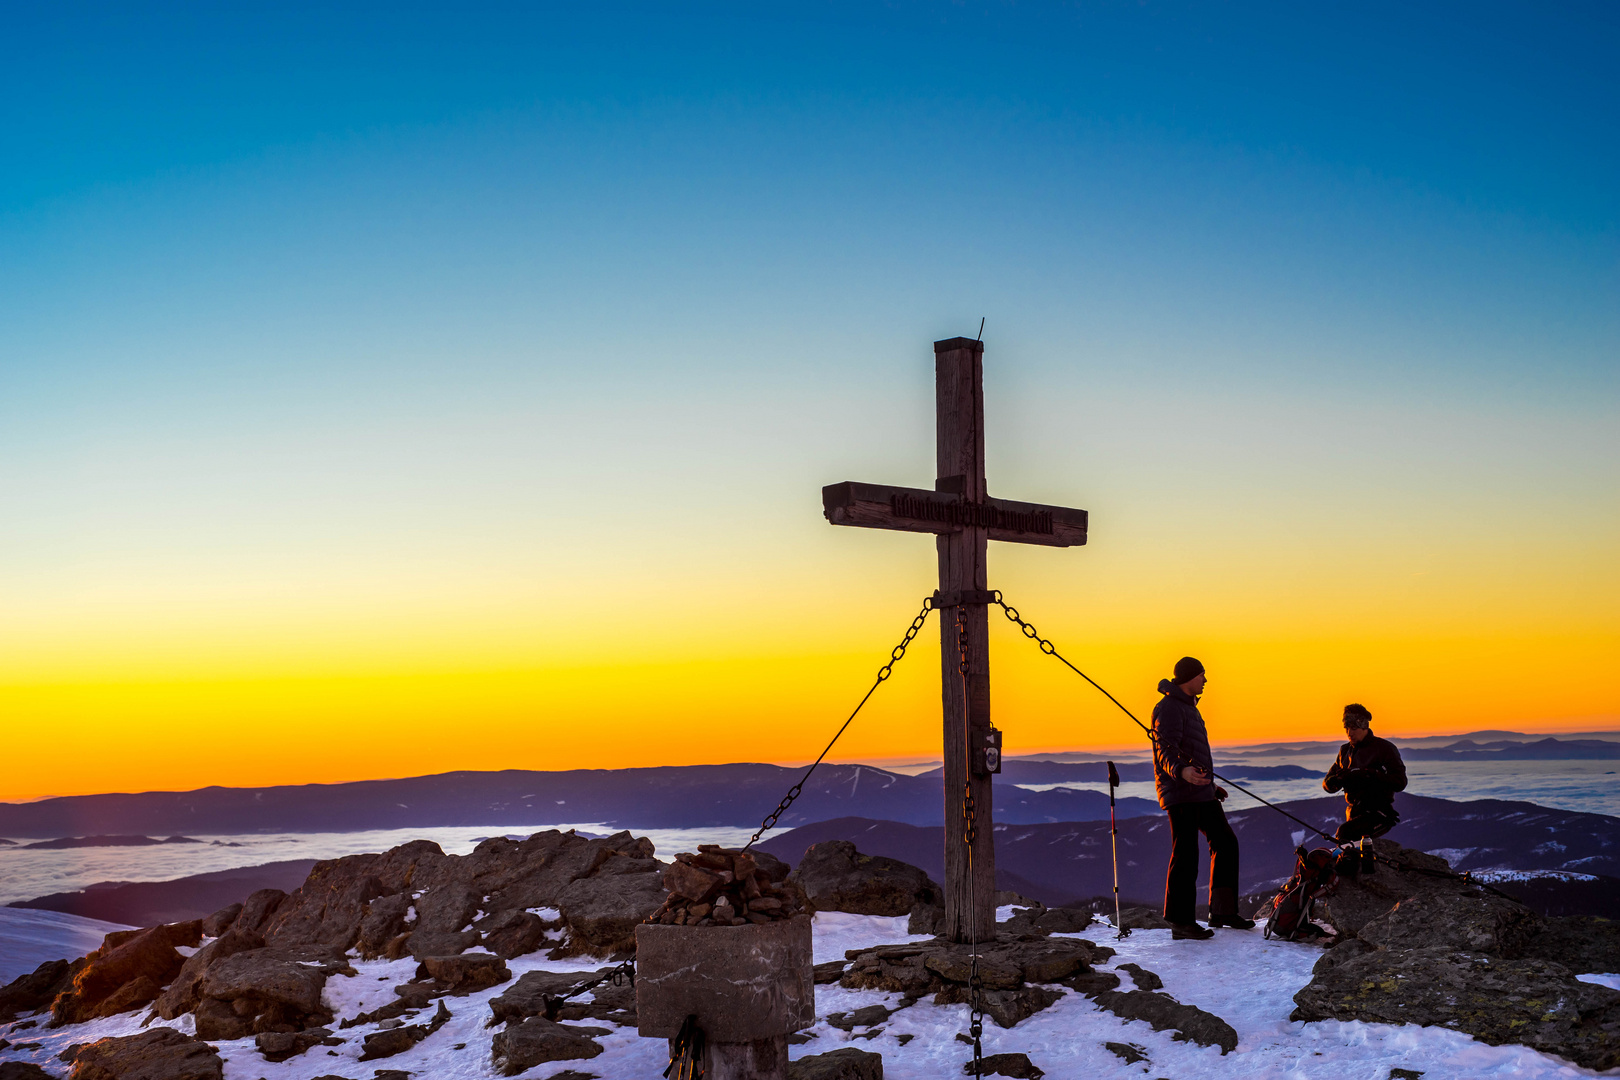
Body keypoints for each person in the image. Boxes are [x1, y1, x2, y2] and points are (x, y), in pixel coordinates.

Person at [1152, 656, 1252, 938]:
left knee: (1225, 842)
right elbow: (1164, 749)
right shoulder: (1169, 708)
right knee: (1185, 852)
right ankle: (1180, 921)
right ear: (1188, 678)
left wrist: (1210, 786)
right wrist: (1181, 772)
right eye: (1202, 675)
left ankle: (1222, 912)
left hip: (1199, 790)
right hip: (1180, 792)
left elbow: (1191, 750)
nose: (1206, 680)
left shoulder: (1188, 708)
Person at [1323, 704, 1407, 871]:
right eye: (1346, 727)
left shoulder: (1384, 749)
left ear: (1364, 726)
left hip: (1379, 813)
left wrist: (1370, 774)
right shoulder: (1345, 752)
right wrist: (1338, 779)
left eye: (1353, 727)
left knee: (1346, 833)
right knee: (1348, 835)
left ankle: (1350, 871)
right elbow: (1327, 784)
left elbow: (1400, 782)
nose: (1349, 732)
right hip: (1354, 814)